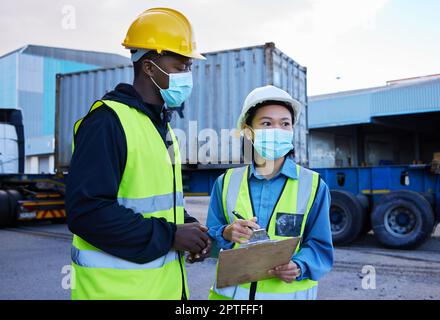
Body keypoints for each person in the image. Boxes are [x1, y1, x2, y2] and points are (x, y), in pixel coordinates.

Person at [66, 8, 210, 300]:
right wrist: (171, 235)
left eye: (189, 68)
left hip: (165, 290)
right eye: (180, 66)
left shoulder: (162, 128)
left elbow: (154, 202)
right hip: (115, 293)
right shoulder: (106, 122)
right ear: (148, 67)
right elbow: (87, 212)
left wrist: (188, 228)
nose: (187, 76)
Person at [207, 85, 334, 300]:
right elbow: (210, 241)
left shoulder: (313, 185)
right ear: (248, 131)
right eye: (267, 123)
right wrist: (226, 233)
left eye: (285, 124)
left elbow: (320, 246)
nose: (277, 130)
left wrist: (299, 265)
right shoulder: (225, 182)